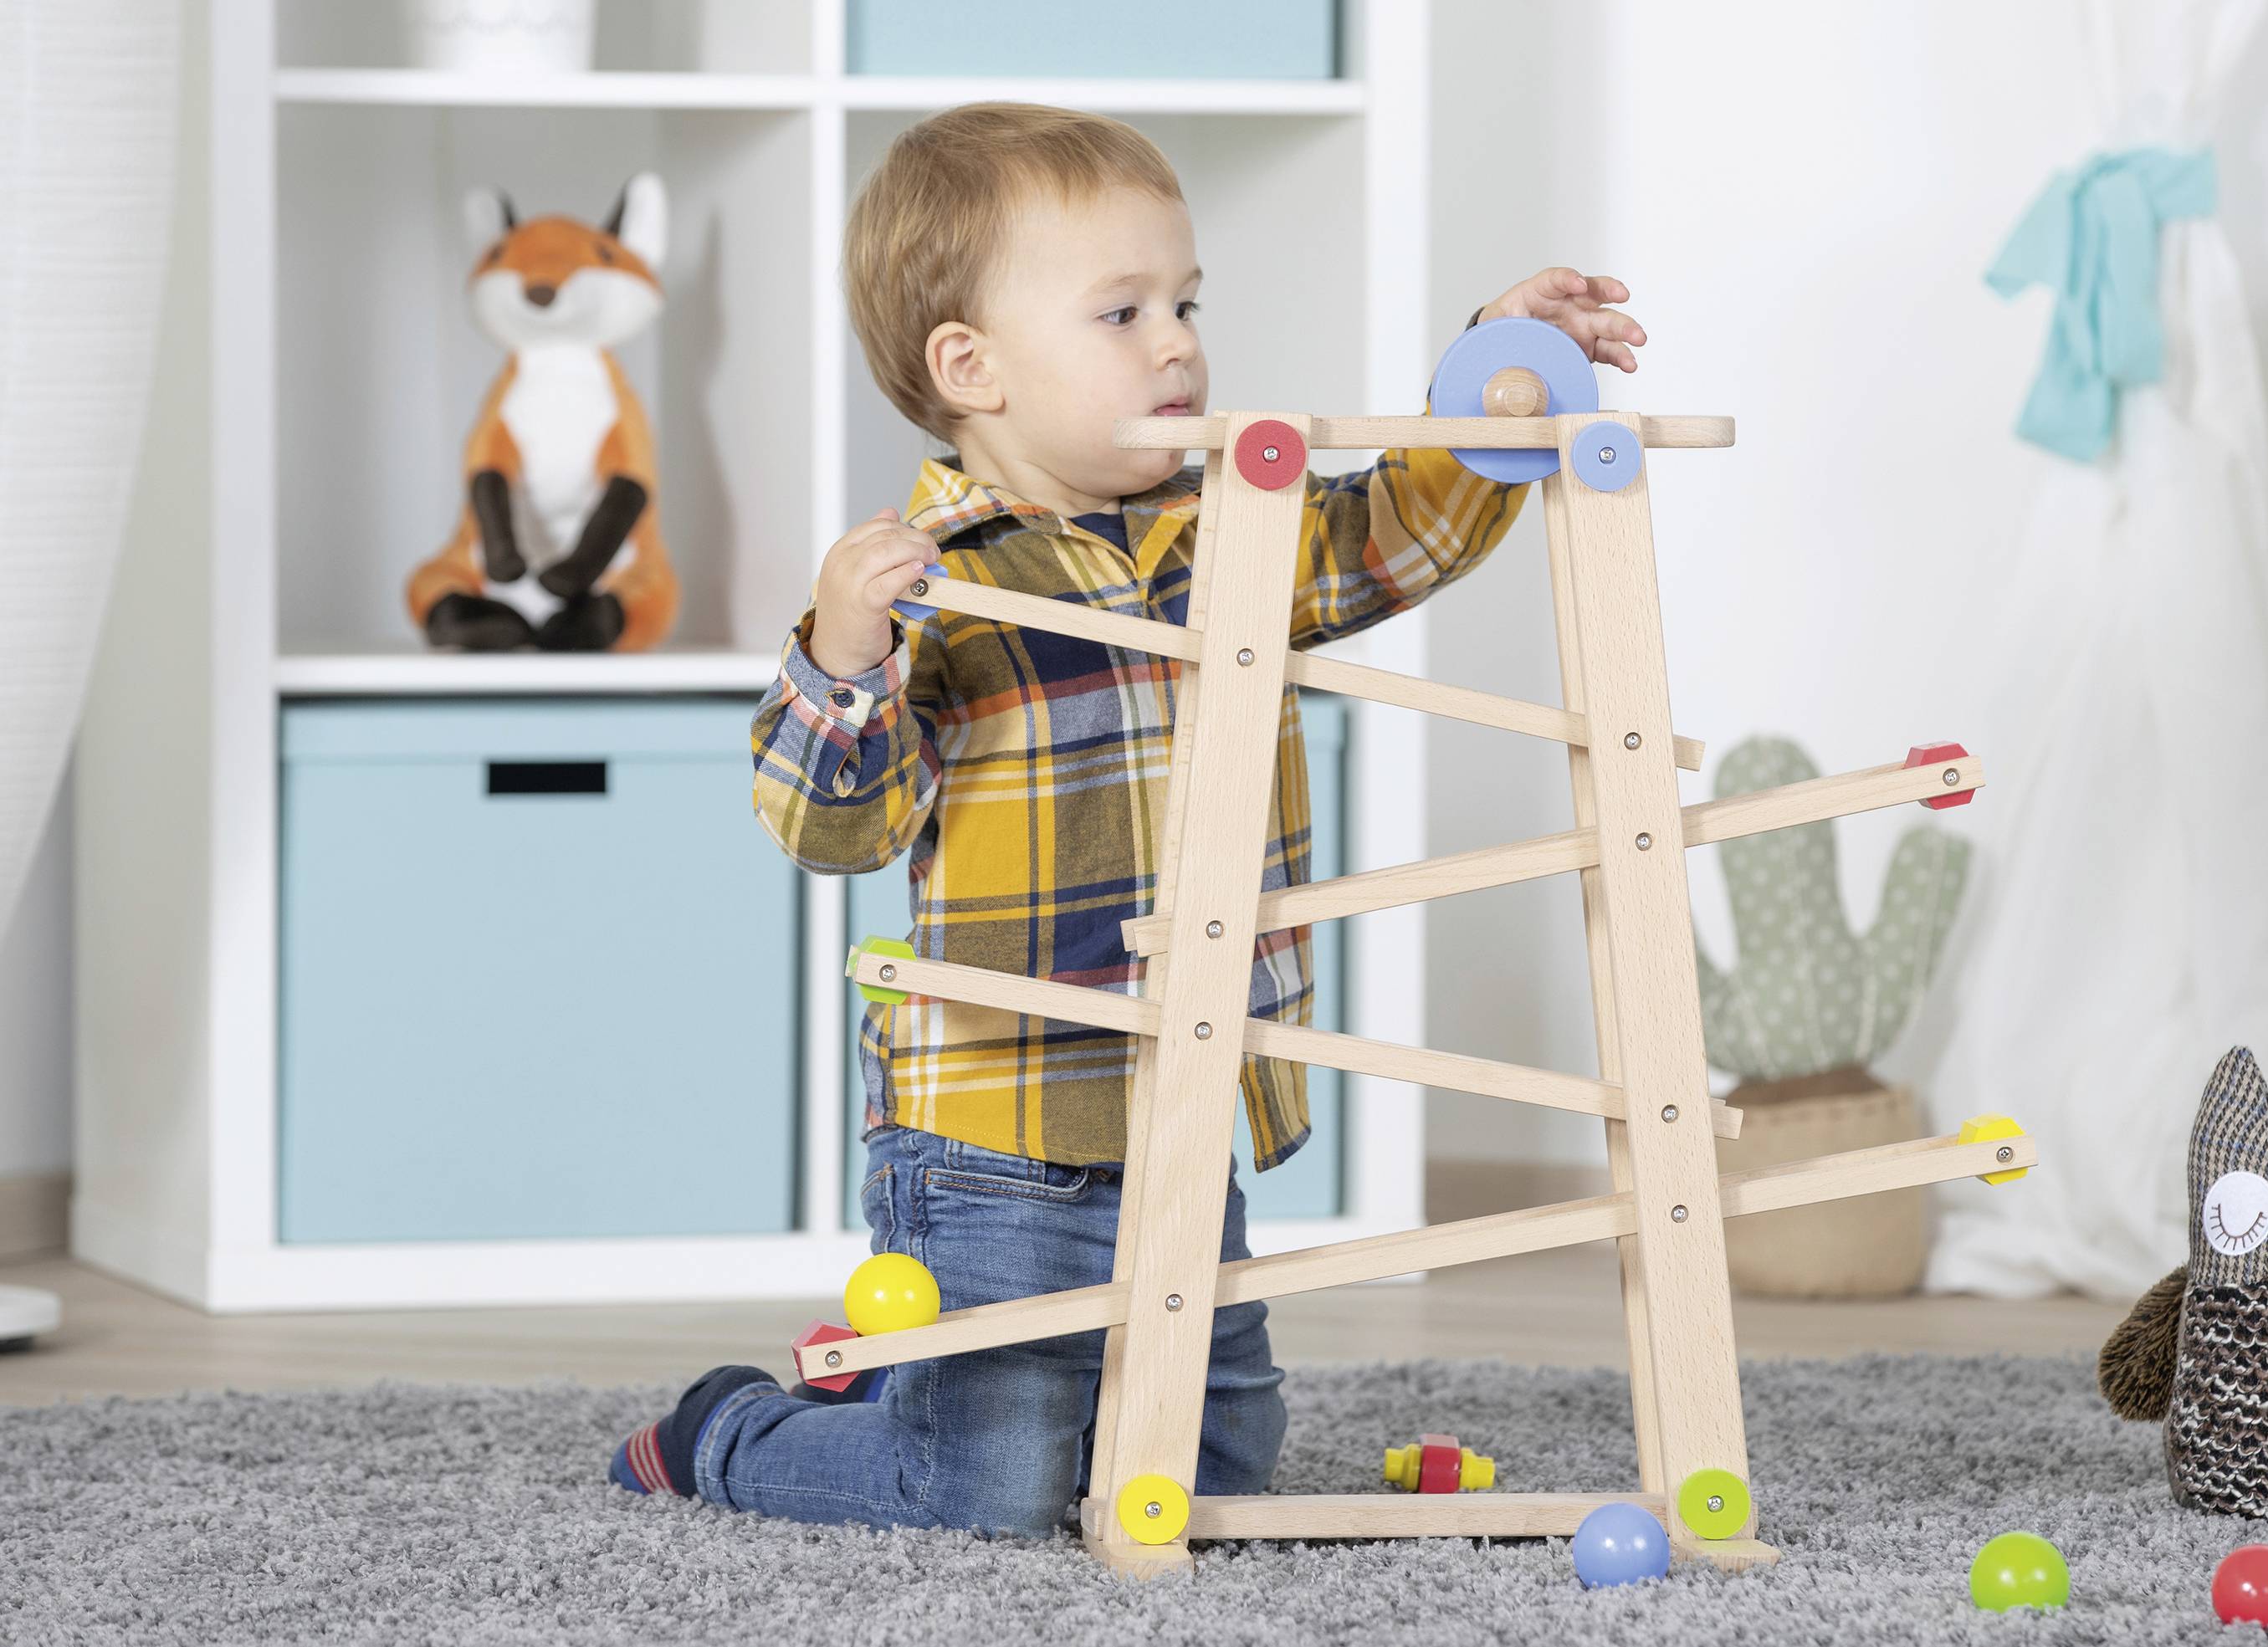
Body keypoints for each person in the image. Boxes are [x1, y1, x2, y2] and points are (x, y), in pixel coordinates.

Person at [610, 100, 1642, 1535]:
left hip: (1185, 1088)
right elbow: (828, 828)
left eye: (1185, 302)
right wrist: (844, 654)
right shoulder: (926, 586)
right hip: (993, 1127)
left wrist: (1496, 378)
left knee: (1211, 1469)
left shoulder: (1237, 528)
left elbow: (1389, 531)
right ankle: (729, 1427)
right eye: (1121, 311)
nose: (1177, 342)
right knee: (987, 1486)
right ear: (968, 367)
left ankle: (922, 1389)